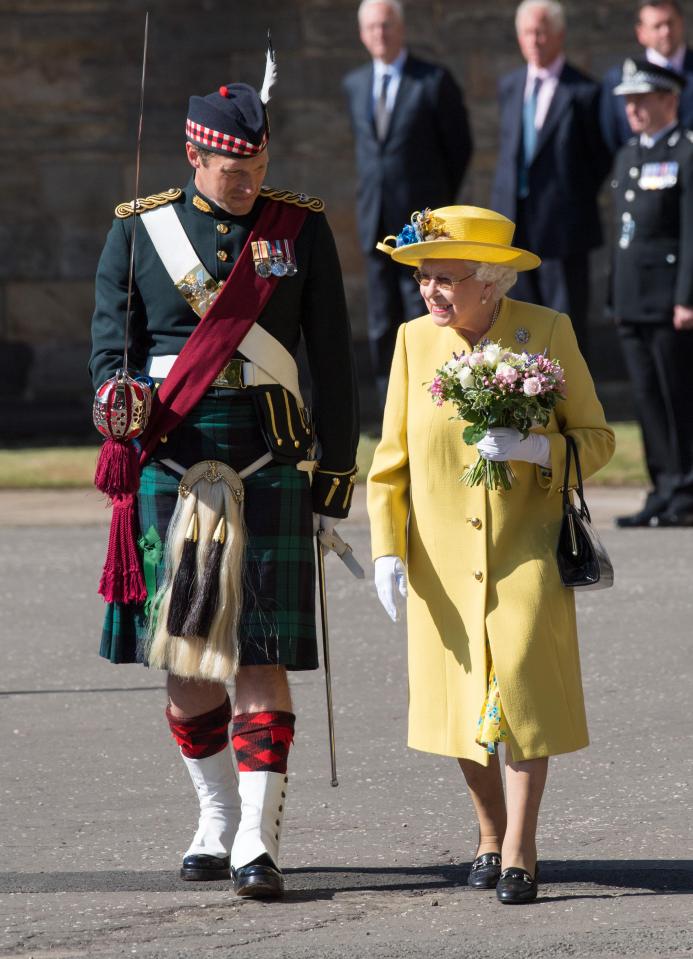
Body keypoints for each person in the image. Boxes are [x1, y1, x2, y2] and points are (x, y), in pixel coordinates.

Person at [89, 67, 359, 899]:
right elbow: (108, 354)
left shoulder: (298, 229)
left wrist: (334, 472)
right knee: (187, 654)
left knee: (260, 649)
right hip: (172, 455)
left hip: (269, 459)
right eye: (229, 169)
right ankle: (212, 815)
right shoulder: (140, 230)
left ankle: (257, 835)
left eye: (256, 165)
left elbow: (334, 361)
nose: (245, 183)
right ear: (194, 156)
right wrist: (117, 402)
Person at [367, 205, 614, 904]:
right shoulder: (414, 343)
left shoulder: (547, 333)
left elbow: (596, 438)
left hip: (526, 549)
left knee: (522, 697)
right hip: (439, 559)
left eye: (446, 279)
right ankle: (486, 830)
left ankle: (519, 847)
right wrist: (388, 549)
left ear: (491, 282)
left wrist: (541, 449)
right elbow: (390, 462)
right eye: (424, 279)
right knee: (460, 705)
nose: (431, 292)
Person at [343, 0, 473, 408]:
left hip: (422, 229)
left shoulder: (432, 81)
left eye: (386, 25)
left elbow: (460, 149)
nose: (380, 33)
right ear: (363, 34)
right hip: (375, 221)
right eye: (372, 27)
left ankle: (433, 396)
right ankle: (390, 403)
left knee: (427, 309)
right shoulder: (356, 84)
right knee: (382, 319)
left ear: (400, 29)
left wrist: (433, 212)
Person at [491, 0, 610, 360]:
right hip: (517, 226)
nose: (535, 40)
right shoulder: (511, 85)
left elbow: (599, 158)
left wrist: (568, 199)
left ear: (559, 35)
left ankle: (570, 408)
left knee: (565, 321)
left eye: (542, 31)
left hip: (565, 229)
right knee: (520, 320)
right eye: (528, 32)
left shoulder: (584, 91)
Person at [608, 59, 693, 527]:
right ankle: (662, 486)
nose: (633, 109)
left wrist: (687, 296)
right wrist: (614, 297)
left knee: (677, 396)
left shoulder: (686, 152)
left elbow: (689, 231)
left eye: (642, 100)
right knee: (646, 399)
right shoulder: (627, 154)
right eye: (628, 101)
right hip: (631, 299)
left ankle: (685, 489)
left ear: (670, 100)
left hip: (668, 301)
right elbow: (624, 233)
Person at [600, 1, 693, 156]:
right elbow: (610, 140)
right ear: (641, 33)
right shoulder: (617, 79)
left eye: (670, 23)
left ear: (682, 23)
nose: (666, 32)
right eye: (657, 26)